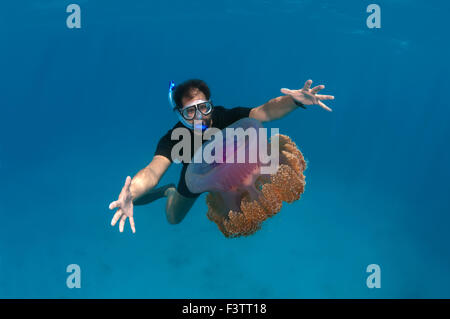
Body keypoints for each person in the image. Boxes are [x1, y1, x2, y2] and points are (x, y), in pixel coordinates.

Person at [108, 79, 334, 233]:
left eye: (204, 108)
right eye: (190, 112)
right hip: (195, 178)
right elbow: (152, 171)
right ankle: (170, 192)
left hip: (233, 169)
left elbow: (264, 111)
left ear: (211, 104)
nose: (199, 117)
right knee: (173, 219)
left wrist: (293, 101)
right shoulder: (174, 138)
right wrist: (132, 191)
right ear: (180, 114)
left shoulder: (226, 117)